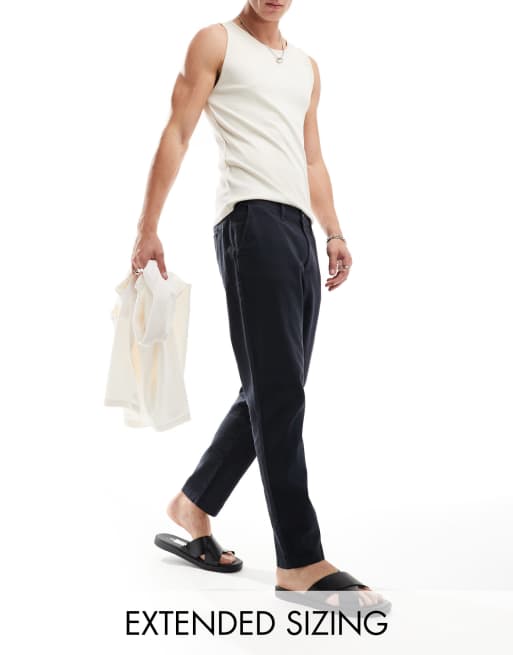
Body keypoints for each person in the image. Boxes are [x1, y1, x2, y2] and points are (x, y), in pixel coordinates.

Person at [131, 1, 390, 614]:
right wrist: (147, 226)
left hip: (298, 228)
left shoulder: (306, 66)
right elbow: (178, 131)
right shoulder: (215, 41)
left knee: (274, 388)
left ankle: (194, 502)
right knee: (278, 392)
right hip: (249, 221)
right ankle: (299, 559)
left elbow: (312, 157)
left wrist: (332, 230)